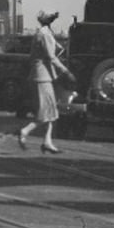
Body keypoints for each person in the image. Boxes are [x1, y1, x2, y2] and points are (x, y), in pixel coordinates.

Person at [17, 10, 75, 155]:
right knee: (45, 113)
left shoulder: (43, 33)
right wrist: (65, 71)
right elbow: (50, 56)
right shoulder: (45, 34)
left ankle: (47, 142)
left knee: (51, 111)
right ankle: (25, 131)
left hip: (42, 77)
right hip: (43, 77)